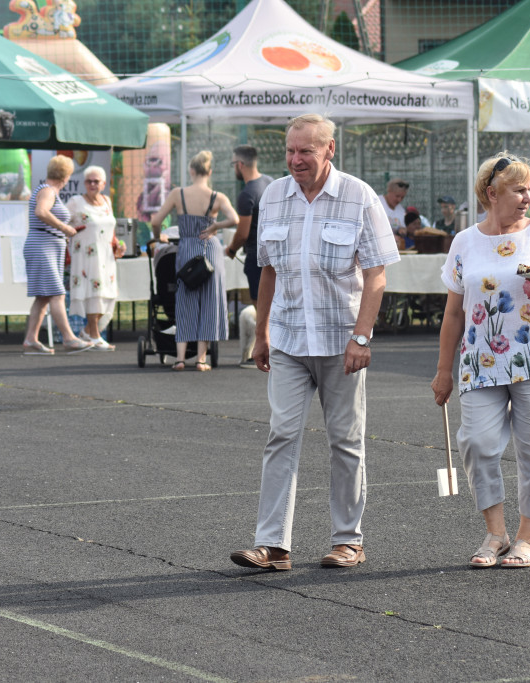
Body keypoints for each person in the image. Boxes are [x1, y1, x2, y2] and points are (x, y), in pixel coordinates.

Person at [230, 114, 400, 572]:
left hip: (341, 341)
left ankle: (348, 540)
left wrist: (361, 336)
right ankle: (273, 545)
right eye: (290, 150)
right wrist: (261, 332)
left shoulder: (358, 195)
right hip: (288, 338)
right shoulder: (274, 196)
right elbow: (268, 270)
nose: (295, 159)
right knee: (281, 434)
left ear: (330, 150)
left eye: (306, 151)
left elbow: (376, 274)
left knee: (345, 440)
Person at [431, 152, 530, 569]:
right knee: (476, 442)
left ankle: (526, 538)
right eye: (519, 189)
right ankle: (494, 534)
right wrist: (444, 370)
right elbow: (454, 313)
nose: (528, 197)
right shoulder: (464, 241)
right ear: (491, 193)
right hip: (480, 360)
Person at [150, 150, 239, 371]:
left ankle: (180, 358)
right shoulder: (217, 197)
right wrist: (216, 226)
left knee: (185, 302)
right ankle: (201, 359)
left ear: (191, 170)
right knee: (209, 304)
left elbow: (156, 220)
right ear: (210, 171)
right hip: (210, 251)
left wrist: (157, 235)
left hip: (188, 250)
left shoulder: (177, 194)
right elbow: (234, 219)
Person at [22, 156, 94, 355]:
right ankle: (69, 338)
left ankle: (31, 339)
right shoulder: (48, 191)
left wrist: (63, 231)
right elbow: (41, 212)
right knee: (57, 293)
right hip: (43, 246)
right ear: (67, 175)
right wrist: (64, 228)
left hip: (45, 245)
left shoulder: (48, 190)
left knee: (44, 297)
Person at [65, 165, 125, 351]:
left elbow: (110, 228)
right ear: (84, 183)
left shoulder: (106, 200)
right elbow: (61, 222)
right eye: (89, 181)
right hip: (85, 255)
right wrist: (70, 235)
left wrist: (117, 244)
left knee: (107, 294)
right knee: (93, 293)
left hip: (106, 255)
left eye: (96, 181)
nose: (92, 184)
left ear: (104, 183)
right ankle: (95, 336)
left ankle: (87, 331)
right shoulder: (76, 202)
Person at [223, 145, 273, 307]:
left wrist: (231, 250)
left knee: (262, 313)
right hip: (274, 253)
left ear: (240, 164)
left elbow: (243, 234)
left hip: (256, 257)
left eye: (233, 164)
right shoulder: (269, 182)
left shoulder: (247, 194)